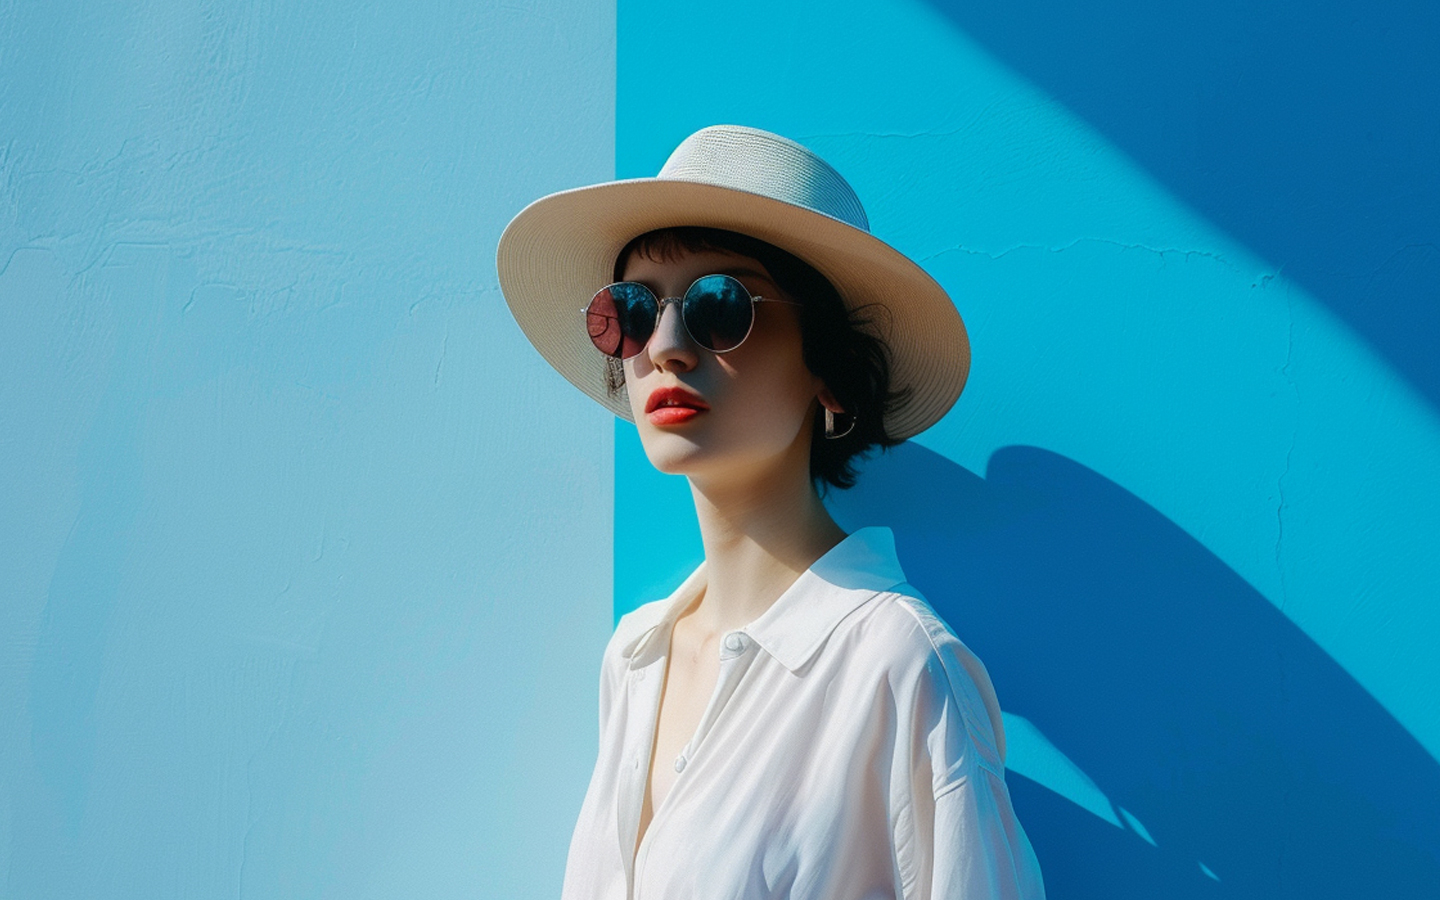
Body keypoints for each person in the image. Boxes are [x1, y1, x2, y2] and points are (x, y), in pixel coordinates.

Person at [496, 125, 1045, 899]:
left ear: (829, 373)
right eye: (632, 308)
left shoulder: (900, 666)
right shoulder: (633, 657)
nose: (668, 347)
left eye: (721, 306)